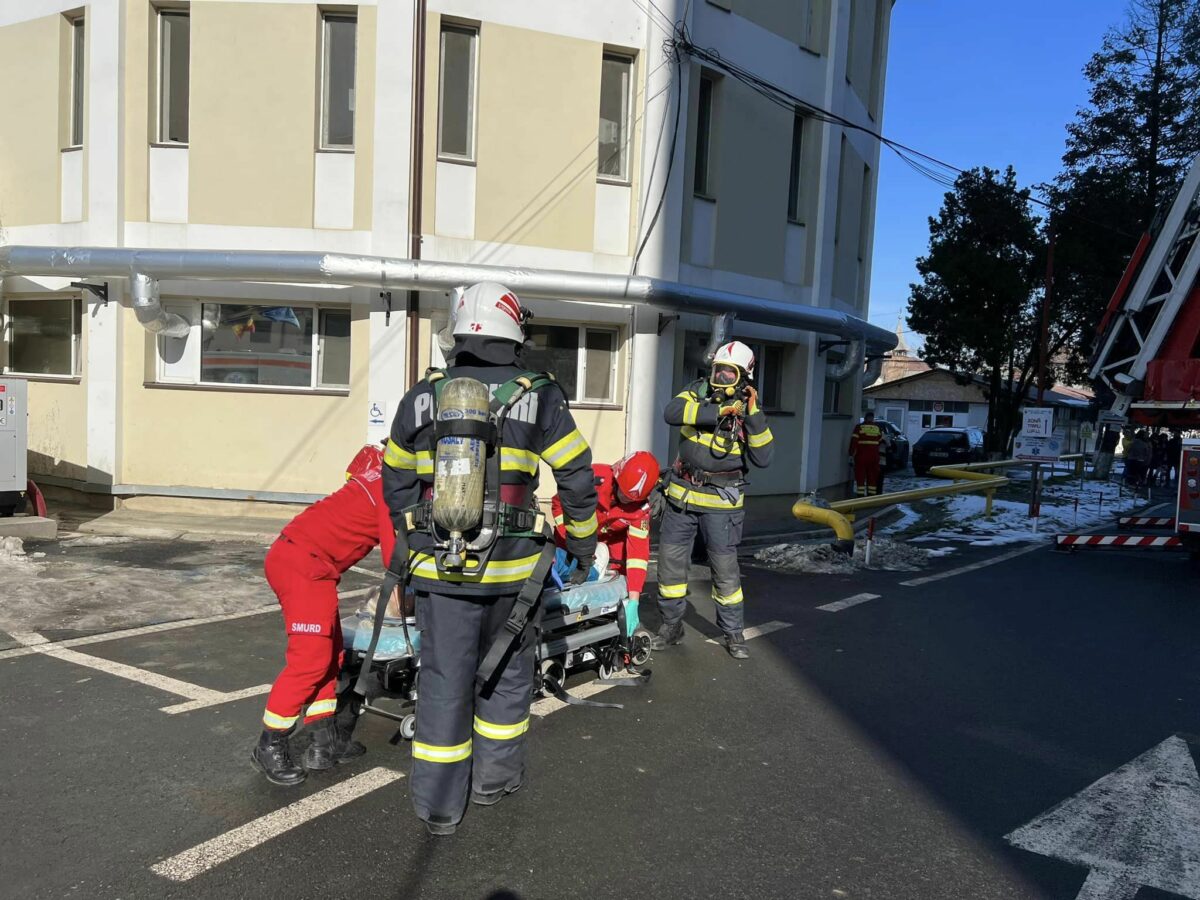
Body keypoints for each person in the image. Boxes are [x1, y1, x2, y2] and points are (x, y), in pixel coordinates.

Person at [382, 282, 598, 836]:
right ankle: (493, 782)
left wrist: (419, 543)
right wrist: (581, 544)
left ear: (458, 329)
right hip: (513, 578)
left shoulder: (422, 394)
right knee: (505, 678)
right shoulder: (542, 394)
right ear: (513, 328)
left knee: (442, 684)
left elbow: (396, 478)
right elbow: (575, 475)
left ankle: (438, 806)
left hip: (441, 576)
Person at [253, 443, 394, 786]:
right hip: (304, 564)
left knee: (331, 655)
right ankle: (269, 743)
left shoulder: (379, 472)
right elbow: (395, 559)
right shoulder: (394, 491)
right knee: (310, 661)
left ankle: (323, 744)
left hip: (307, 561)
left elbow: (357, 467)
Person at [652, 340, 774, 660]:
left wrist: (753, 415)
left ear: (744, 377)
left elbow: (764, 458)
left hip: (721, 504)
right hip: (681, 497)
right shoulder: (696, 391)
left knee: (725, 572)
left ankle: (733, 633)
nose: (721, 379)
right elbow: (671, 412)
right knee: (670, 567)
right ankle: (671, 625)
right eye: (718, 371)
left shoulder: (750, 411)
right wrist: (716, 409)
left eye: (729, 374)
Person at [551, 450, 660, 628]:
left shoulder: (640, 509)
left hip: (608, 544)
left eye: (630, 499)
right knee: (564, 565)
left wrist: (634, 600)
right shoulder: (593, 478)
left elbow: (638, 555)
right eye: (622, 493)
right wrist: (575, 543)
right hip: (573, 535)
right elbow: (558, 505)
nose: (624, 501)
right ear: (617, 475)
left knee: (615, 577)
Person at [848, 411, 884, 496]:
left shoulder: (859, 427)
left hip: (861, 456)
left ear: (865, 418)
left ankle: (860, 495)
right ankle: (871, 496)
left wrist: (851, 453)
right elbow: (880, 440)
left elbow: (854, 441)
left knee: (860, 475)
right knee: (872, 476)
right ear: (872, 418)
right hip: (874, 457)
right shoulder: (877, 428)